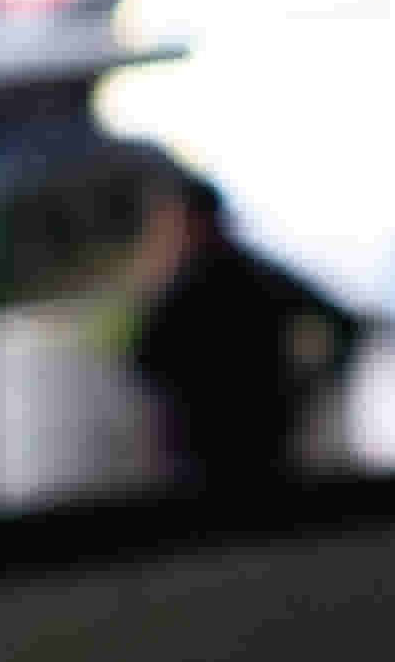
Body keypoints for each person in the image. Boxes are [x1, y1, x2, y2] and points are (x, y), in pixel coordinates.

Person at [127, 164, 352, 498]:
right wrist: (308, 389)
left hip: (224, 451)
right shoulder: (252, 275)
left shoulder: (184, 288)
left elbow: (143, 362)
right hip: (250, 444)